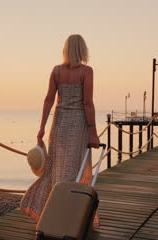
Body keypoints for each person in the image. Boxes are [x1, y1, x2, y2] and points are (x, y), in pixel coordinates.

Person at [20, 34, 100, 225]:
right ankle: (68, 215)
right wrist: (93, 131)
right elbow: (87, 103)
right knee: (74, 171)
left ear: (65, 50)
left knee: (54, 170)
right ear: (82, 50)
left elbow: (49, 100)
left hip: (59, 122)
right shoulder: (86, 71)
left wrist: (41, 128)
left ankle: (51, 212)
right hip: (78, 123)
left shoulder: (56, 71)